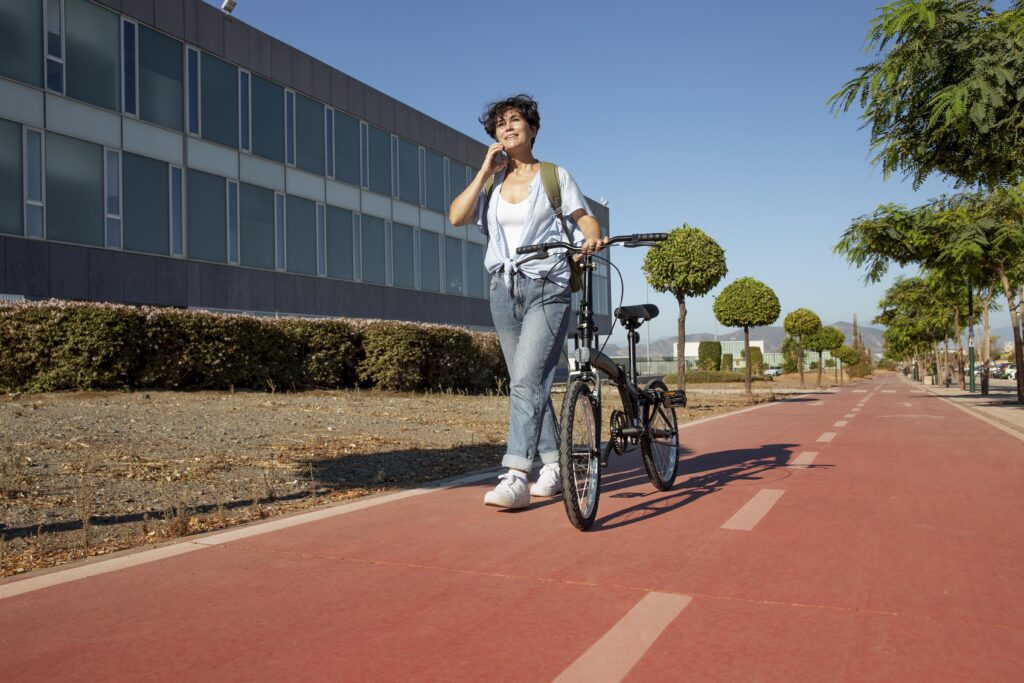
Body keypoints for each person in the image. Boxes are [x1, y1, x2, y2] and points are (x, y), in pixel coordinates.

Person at [449, 94, 607, 509]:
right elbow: (456, 216)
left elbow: (583, 217)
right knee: (529, 382)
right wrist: (484, 169)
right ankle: (555, 466)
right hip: (503, 290)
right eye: (500, 124)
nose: (507, 127)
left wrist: (590, 234)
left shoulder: (554, 176)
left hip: (548, 288)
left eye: (515, 120)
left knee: (524, 381)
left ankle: (516, 474)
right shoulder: (492, 183)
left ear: (533, 129)